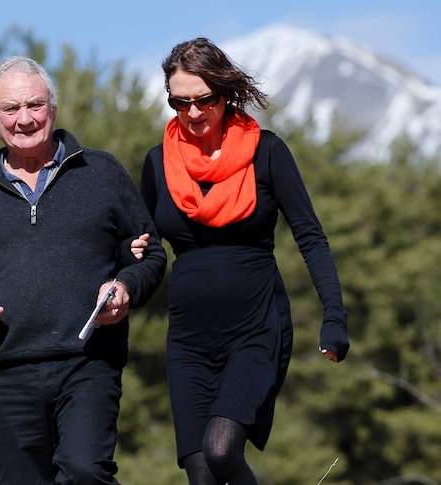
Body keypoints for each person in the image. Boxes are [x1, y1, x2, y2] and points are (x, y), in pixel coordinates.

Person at [0, 55, 168, 485]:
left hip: (88, 362)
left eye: (34, 105)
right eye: (11, 110)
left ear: (52, 108)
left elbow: (151, 254)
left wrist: (126, 286)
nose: (24, 119)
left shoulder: (101, 172)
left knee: (86, 473)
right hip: (7, 369)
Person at [130, 38, 350, 484]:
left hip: (256, 327)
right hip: (189, 338)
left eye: (203, 100)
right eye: (180, 102)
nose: (192, 113)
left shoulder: (266, 152)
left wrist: (334, 316)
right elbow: (145, 246)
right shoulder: (158, 164)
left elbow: (311, 237)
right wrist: (132, 252)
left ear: (225, 93)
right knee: (198, 468)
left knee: (221, 448)